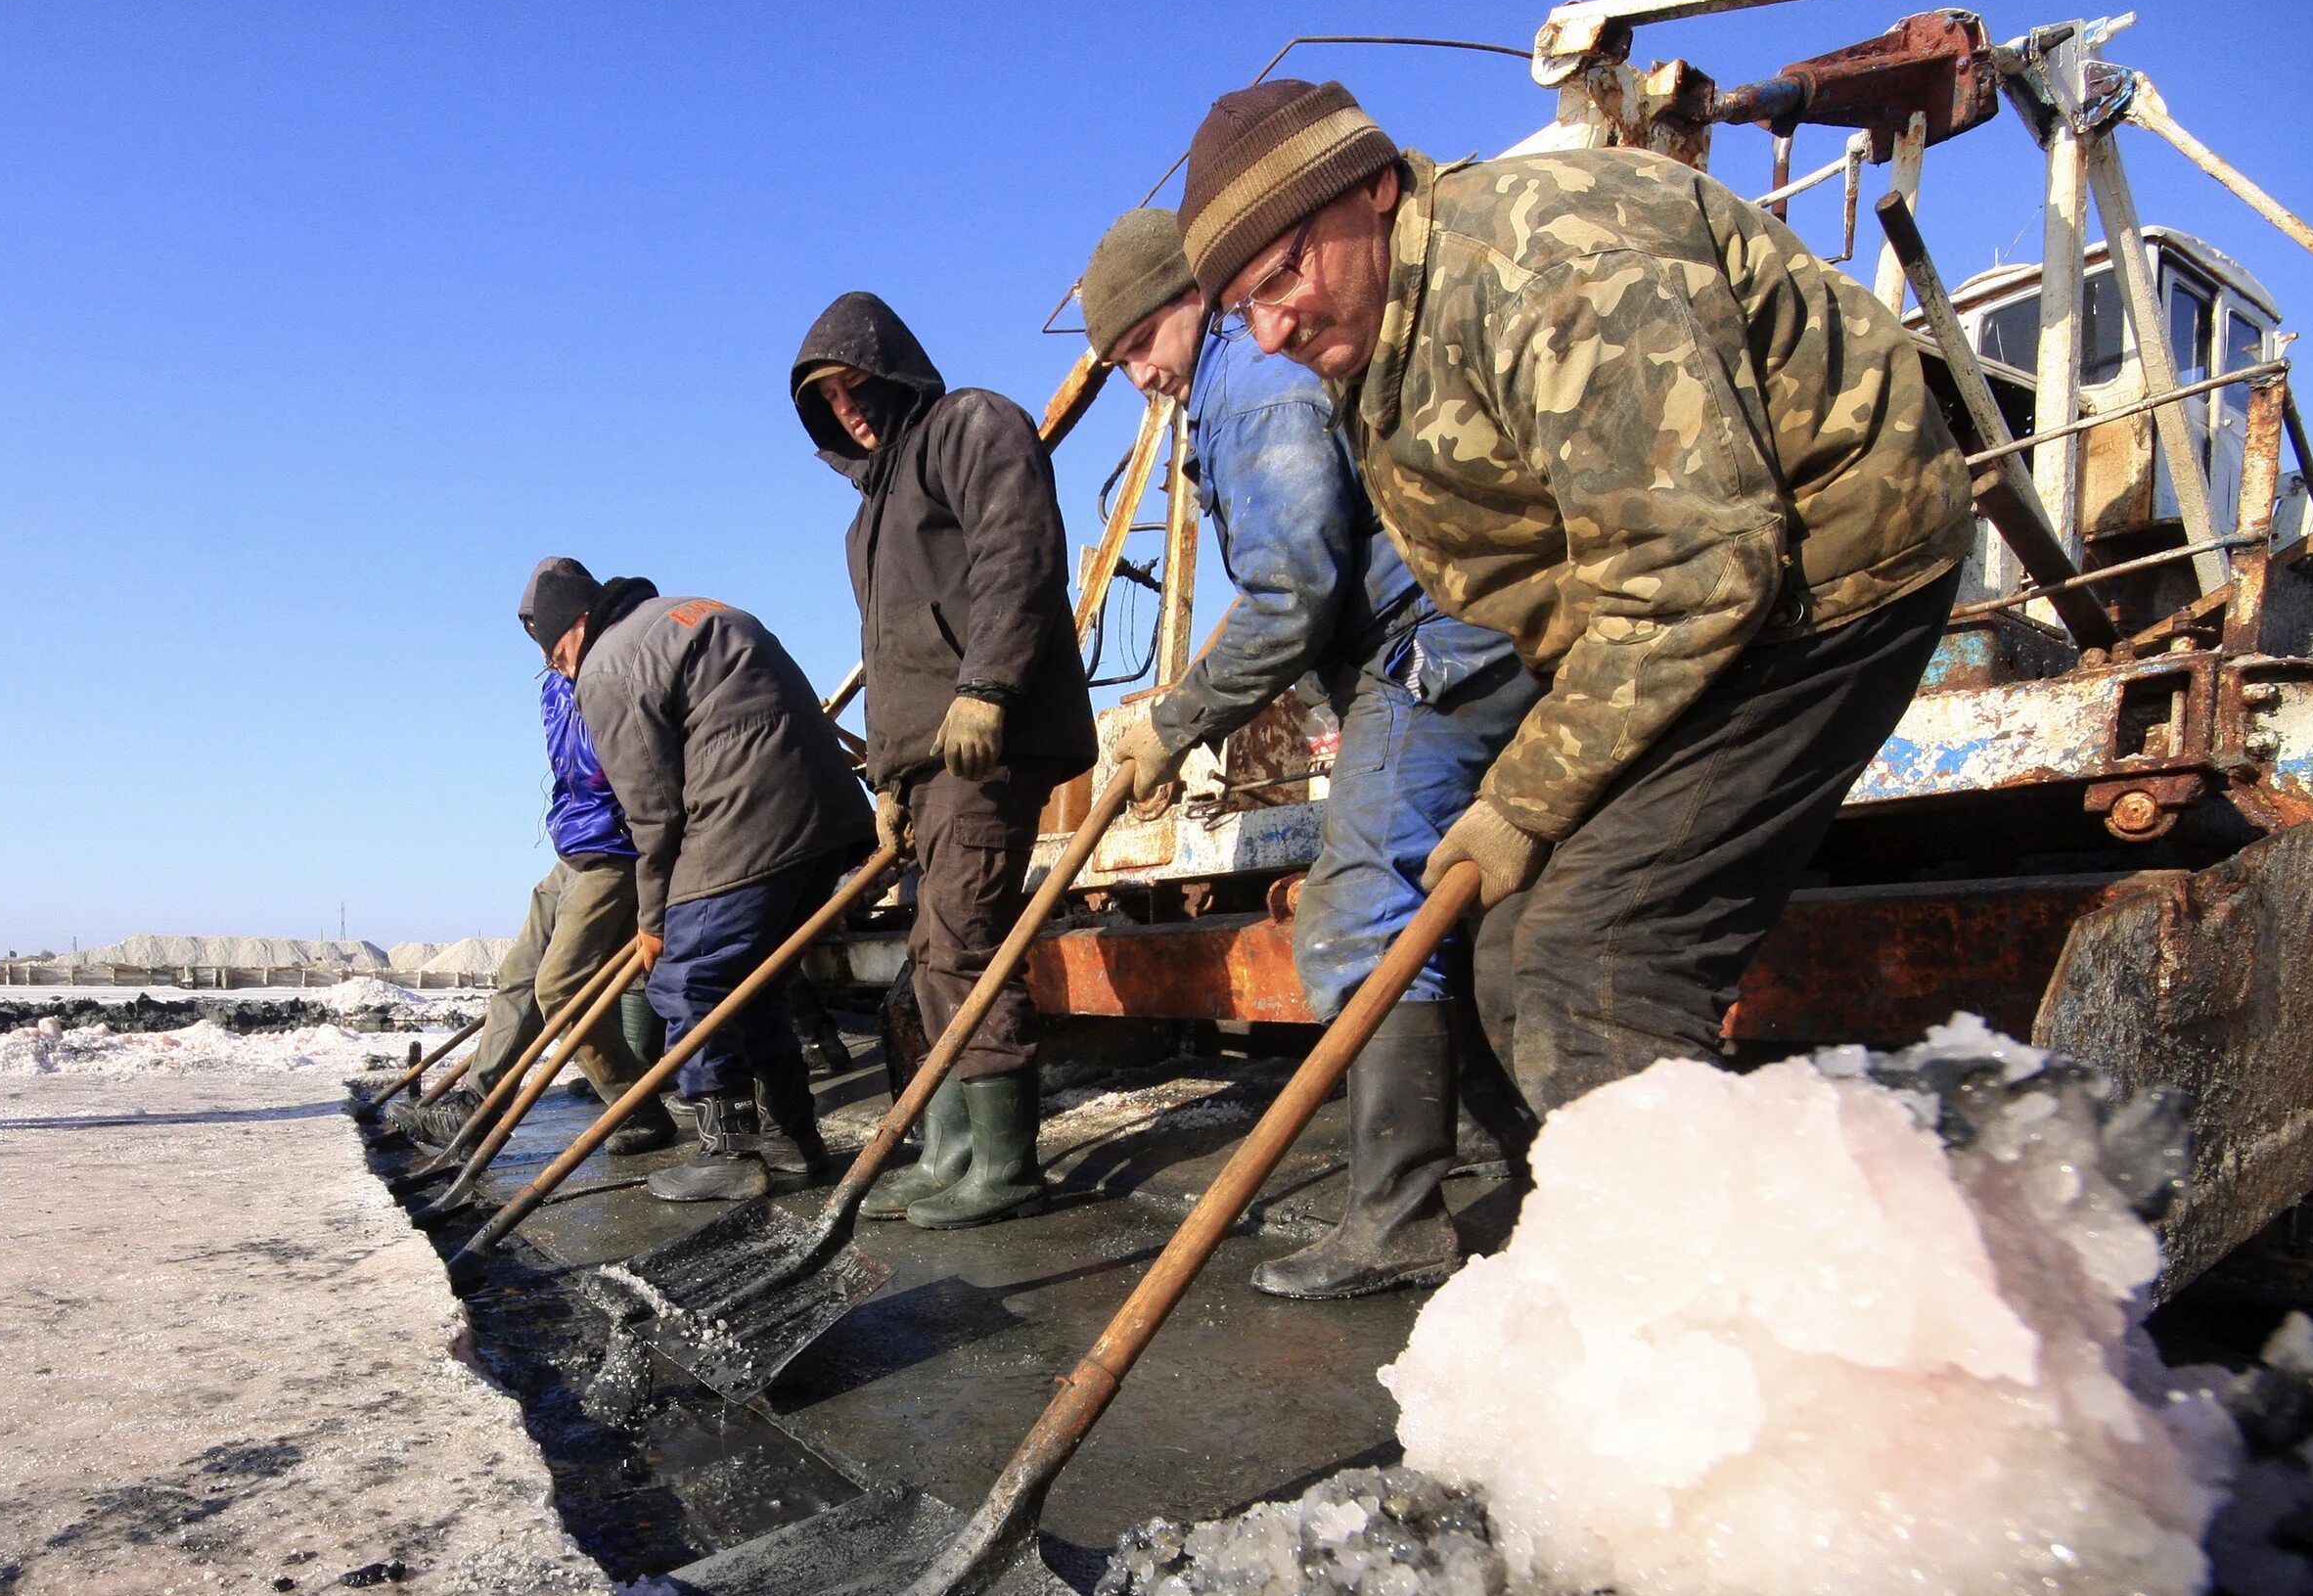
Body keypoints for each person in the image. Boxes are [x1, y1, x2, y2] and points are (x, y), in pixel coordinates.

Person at [1177, 81, 1973, 1118]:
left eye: (1284, 273)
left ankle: (1697, 1277)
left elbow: (1700, 565)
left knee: (1593, 967)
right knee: (1509, 947)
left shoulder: (1541, 271)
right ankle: (1578, 1241)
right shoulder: (1383, 321)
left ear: (1374, 187)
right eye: (1245, 309)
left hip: (1825, 569)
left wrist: (1522, 795)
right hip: (1690, 606)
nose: (1272, 329)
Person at [1076, 208, 1539, 1300]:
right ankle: (1517, 1167)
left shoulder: (1252, 388)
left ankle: (1398, 1219)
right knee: (1452, 917)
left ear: (1186, 301)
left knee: (1358, 913)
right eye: (1120, 358)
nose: (1139, 373)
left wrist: (1173, 720)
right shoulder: (1237, 387)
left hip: (1429, 650)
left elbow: (1292, 597)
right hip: (1446, 637)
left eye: (1140, 343)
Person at [791, 292, 1097, 1229]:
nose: (848, 407)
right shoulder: (866, 524)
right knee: (930, 956)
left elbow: (1020, 553)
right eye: (827, 401)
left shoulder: (970, 424)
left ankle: (1005, 1166)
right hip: (928, 760)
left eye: (854, 385)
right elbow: (891, 661)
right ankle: (956, 1148)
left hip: (987, 739)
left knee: (964, 943)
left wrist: (990, 687)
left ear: (889, 368)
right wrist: (888, 781)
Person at [528, 565, 872, 1203]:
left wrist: (653, 920)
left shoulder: (607, 663)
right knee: (754, 983)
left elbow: (654, 809)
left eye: (558, 655)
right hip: (829, 815)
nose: (563, 672)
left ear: (579, 625)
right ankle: (792, 1139)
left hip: (751, 815)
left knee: (686, 979)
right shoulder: (689, 611)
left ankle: (728, 1153)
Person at [398, 559, 677, 1157]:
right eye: (539, 643)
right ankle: (476, 1106)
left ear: (582, 615)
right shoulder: (555, 681)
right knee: (518, 976)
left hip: (620, 849)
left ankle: (639, 1110)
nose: (550, 655)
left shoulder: (617, 659)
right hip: (575, 842)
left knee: (562, 988)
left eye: (552, 639)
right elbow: (572, 770)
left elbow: (636, 765)